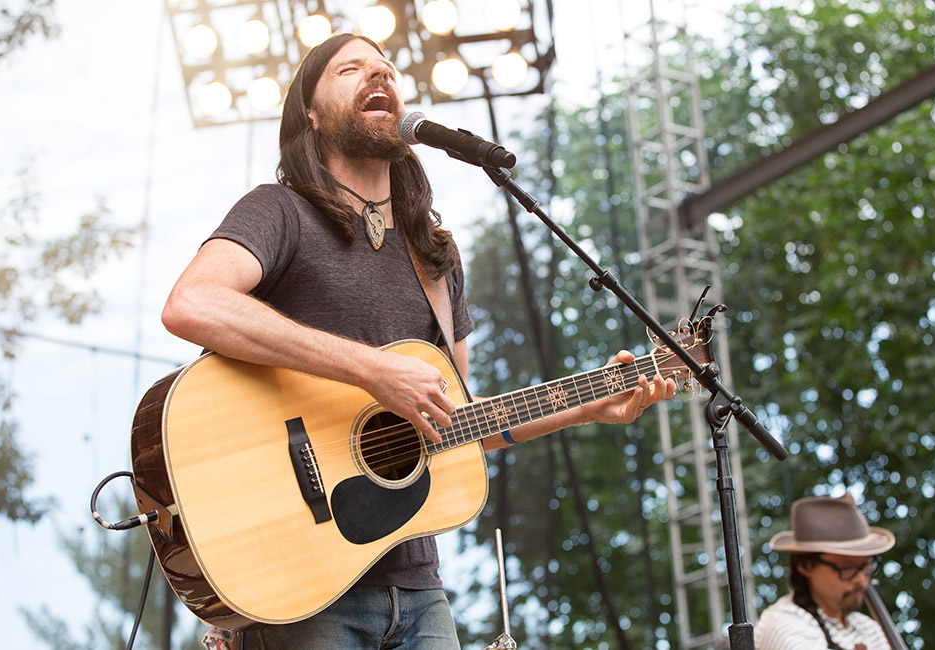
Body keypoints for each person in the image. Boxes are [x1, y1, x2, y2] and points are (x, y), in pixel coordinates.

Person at [162, 32, 677, 650]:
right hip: (300, 579)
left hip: (419, 588)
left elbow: (460, 422)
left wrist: (588, 405)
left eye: (387, 68)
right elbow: (192, 303)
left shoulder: (435, 256)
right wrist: (370, 372)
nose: (378, 75)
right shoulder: (279, 211)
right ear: (311, 113)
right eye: (350, 69)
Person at [754, 493, 896, 650]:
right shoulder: (782, 623)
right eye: (847, 568)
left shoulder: (867, 628)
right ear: (806, 566)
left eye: (865, 566)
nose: (861, 580)